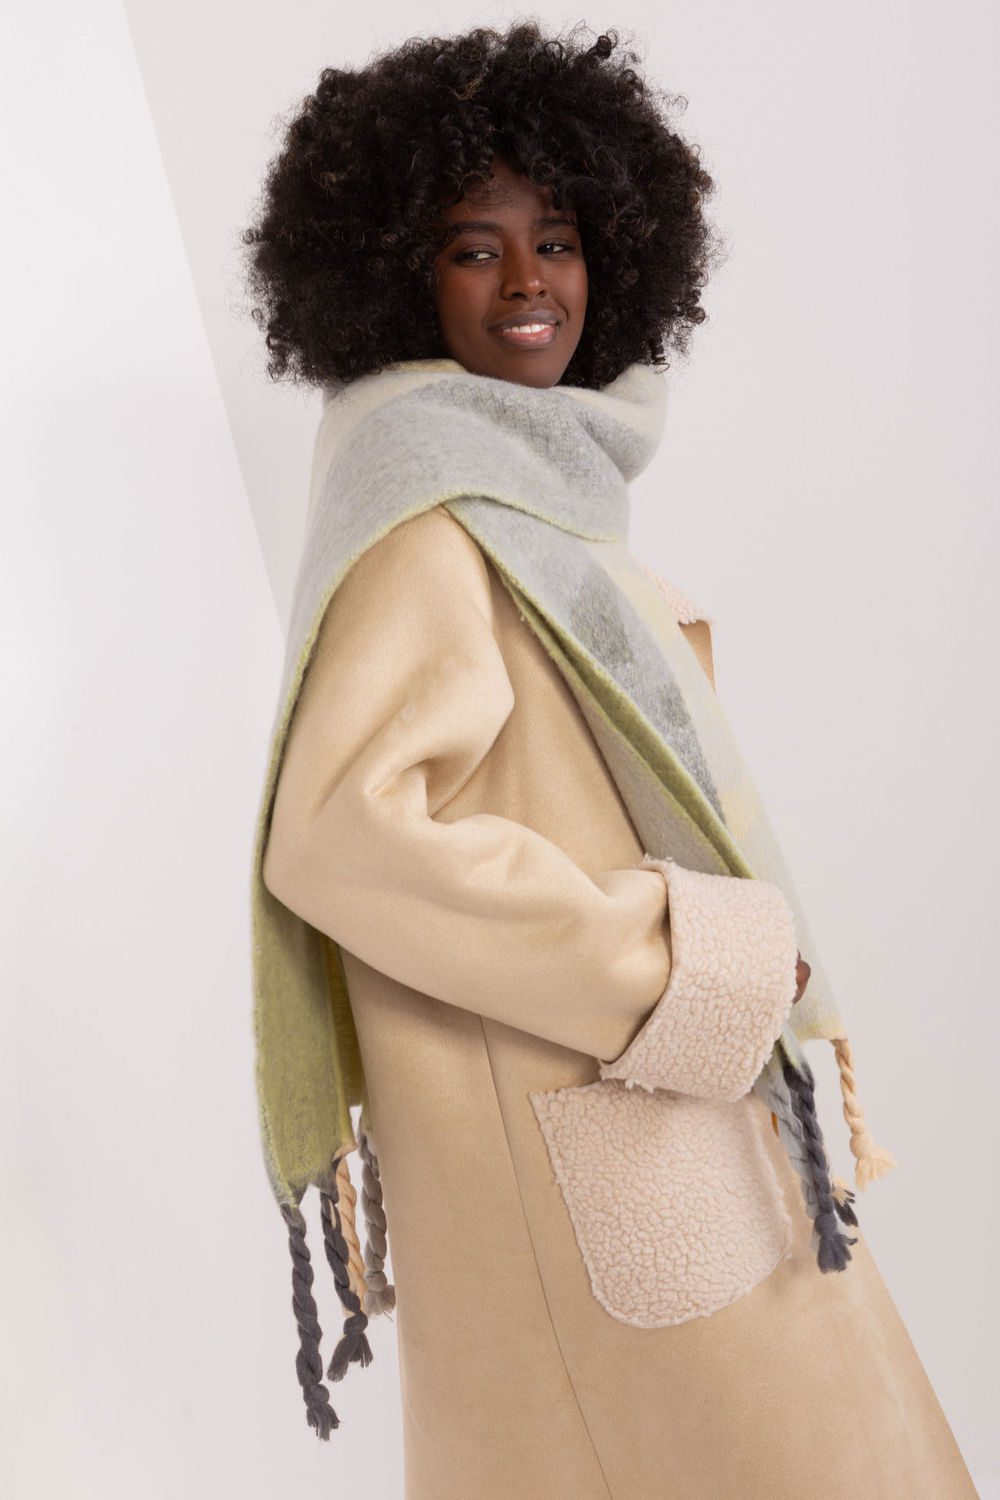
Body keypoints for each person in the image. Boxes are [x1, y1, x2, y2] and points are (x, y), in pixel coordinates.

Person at [242, 21, 977, 1497]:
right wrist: (677, 963)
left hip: (653, 1120)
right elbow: (339, 833)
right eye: (474, 249)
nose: (529, 282)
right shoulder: (430, 524)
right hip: (593, 1144)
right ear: (393, 277)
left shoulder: (533, 500)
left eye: (559, 241)